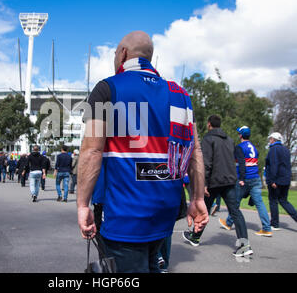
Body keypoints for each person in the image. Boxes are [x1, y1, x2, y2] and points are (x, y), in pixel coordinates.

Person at [77, 31, 208, 273]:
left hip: (124, 215)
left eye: (116, 53)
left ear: (123, 54)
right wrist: (198, 198)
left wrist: (82, 204)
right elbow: (195, 150)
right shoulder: (181, 95)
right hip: (164, 213)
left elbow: (91, 151)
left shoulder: (108, 88)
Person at [183, 115, 253, 257]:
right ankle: (244, 245)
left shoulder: (208, 139)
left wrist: (204, 184)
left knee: (204, 210)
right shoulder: (230, 140)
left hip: (214, 181)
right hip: (230, 180)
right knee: (235, 212)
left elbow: (206, 163)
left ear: (209, 124)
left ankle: (195, 237)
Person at [220, 126, 272, 236]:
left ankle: (229, 223)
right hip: (255, 178)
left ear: (240, 135)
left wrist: (241, 178)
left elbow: (241, 164)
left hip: (245, 178)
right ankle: (267, 228)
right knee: (259, 203)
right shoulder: (253, 147)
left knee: (235, 202)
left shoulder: (240, 147)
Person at [265, 132, 297, 230]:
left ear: (273, 140)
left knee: (273, 201)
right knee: (284, 201)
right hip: (286, 179)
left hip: (276, 179)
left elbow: (274, 165)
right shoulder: (285, 149)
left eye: (270, 139)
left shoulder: (273, 149)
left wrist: (273, 180)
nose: (269, 141)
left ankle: (274, 223)